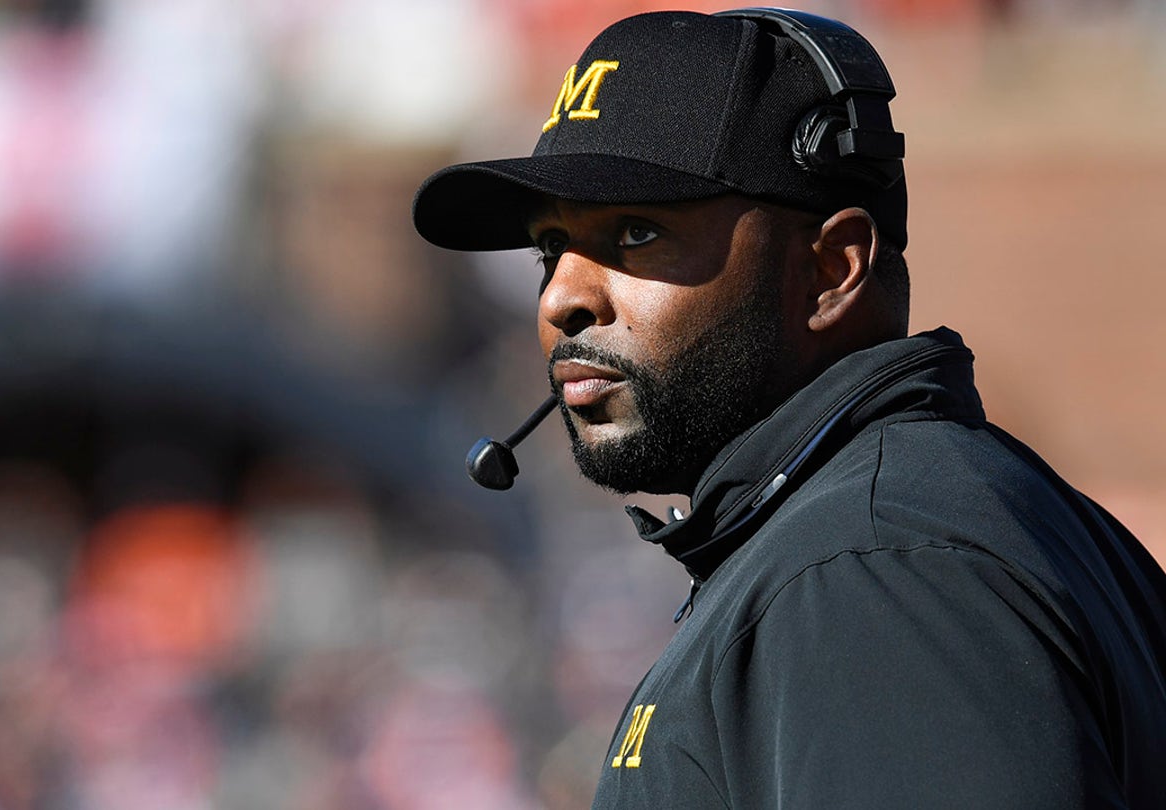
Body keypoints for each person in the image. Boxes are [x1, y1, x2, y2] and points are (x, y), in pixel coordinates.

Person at [411, 9, 1166, 809]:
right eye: (549, 249)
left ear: (833, 270)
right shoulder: (903, 527)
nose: (560, 298)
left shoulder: (870, 566)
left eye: (636, 233)